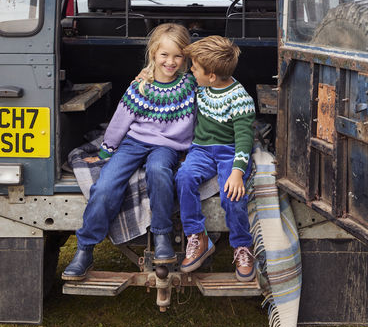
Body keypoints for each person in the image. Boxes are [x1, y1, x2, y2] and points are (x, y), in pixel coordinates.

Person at [62, 23, 196, 281]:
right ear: (154, 54)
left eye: (178, 55)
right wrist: (105, 152)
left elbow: (206, 106)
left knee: (159, 170)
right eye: (164, 55)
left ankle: (162, 235)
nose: (170, 61)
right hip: (134, 142)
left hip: (167, 146)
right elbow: (120, 121)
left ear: (185, 57)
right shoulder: (140, 86)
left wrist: (194, 150)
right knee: (105, 186)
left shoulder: (190, 84)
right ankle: (85, 248)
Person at [175, 35, 256, 282]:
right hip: (201, 149)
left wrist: (237, 172)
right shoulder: (199, 84)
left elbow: (244, 140)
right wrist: (145, 77)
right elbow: (170, 80)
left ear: (211, 75)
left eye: (195, 68)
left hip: (230, 151)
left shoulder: (240, 99)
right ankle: (197, 237)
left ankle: (242, 247)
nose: (190, 71)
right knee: (184, 177)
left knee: (232, 195)